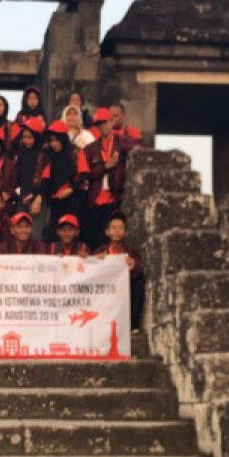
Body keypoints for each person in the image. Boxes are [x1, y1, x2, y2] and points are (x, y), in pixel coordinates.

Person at [80, 107, 127, 249]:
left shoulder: (123, 144)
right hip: (95, 199)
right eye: (99, 124)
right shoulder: (89, 148)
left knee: (111, 241)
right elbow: (86, 174)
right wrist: (106, 166)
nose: (102, 126)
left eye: (105, 122)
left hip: (115, 199)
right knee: (94, 241)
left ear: (112, 122)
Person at [96, 210, 145, 331]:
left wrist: (132, 264)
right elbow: (90, 271)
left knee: (138, 281)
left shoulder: (131, 252)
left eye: (120, 228)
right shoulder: (101, 251)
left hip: (123, 293)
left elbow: (139, 268)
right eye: (113, 228)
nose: (117, 231)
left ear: (125, 232)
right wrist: (97, 261)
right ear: (107, 232)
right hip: (106, 292)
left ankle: (133, 324)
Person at [40, 120, 82, 242]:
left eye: (56, 140)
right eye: (51, 141)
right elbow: (45, 178)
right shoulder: (49, 156)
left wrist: (71, 189)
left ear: (63, 139)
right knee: (54, 233)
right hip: (55, 201)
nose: (54, 144)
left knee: (72, 233)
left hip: (73, 199)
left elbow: (83, 173)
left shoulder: (75, 152)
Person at [11, 117, 47, 239]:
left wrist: (38, 199)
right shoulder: (21, 152)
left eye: (30, 137)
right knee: (19, 233)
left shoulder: (44, 154)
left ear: (37, 137)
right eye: (24, 137)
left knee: (35, 235)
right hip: (22, 197)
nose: (26, 140)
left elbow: (47, 180)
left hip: (38, 198)